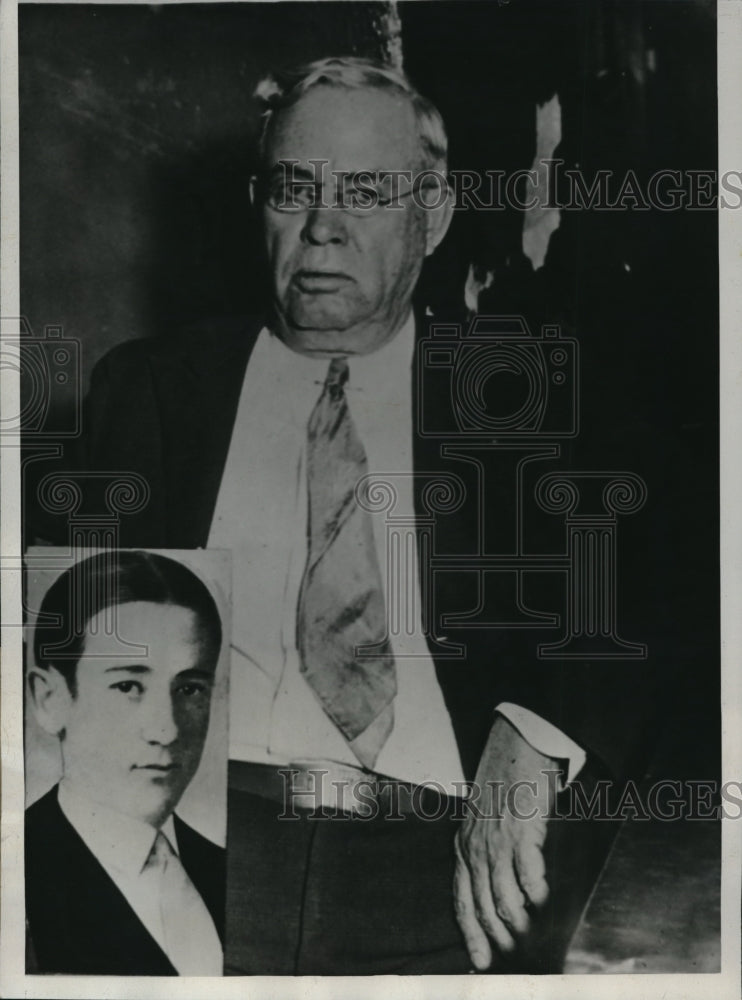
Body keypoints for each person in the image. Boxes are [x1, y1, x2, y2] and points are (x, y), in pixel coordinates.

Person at [28, 57, 659, 974]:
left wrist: (537, 731)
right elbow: (70, 642)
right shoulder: (151, 390)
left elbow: (668, 579)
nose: (322, 226)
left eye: (364, 192)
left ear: (432, 215)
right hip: (201, 856)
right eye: (294, 189)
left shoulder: (524, 391)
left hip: (444, 872)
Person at [25, 550, 226, 975]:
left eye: (190, 689)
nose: (166, 730)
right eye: (128, 686)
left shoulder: (224, 868)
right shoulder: (19, 871)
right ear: (50, 699)